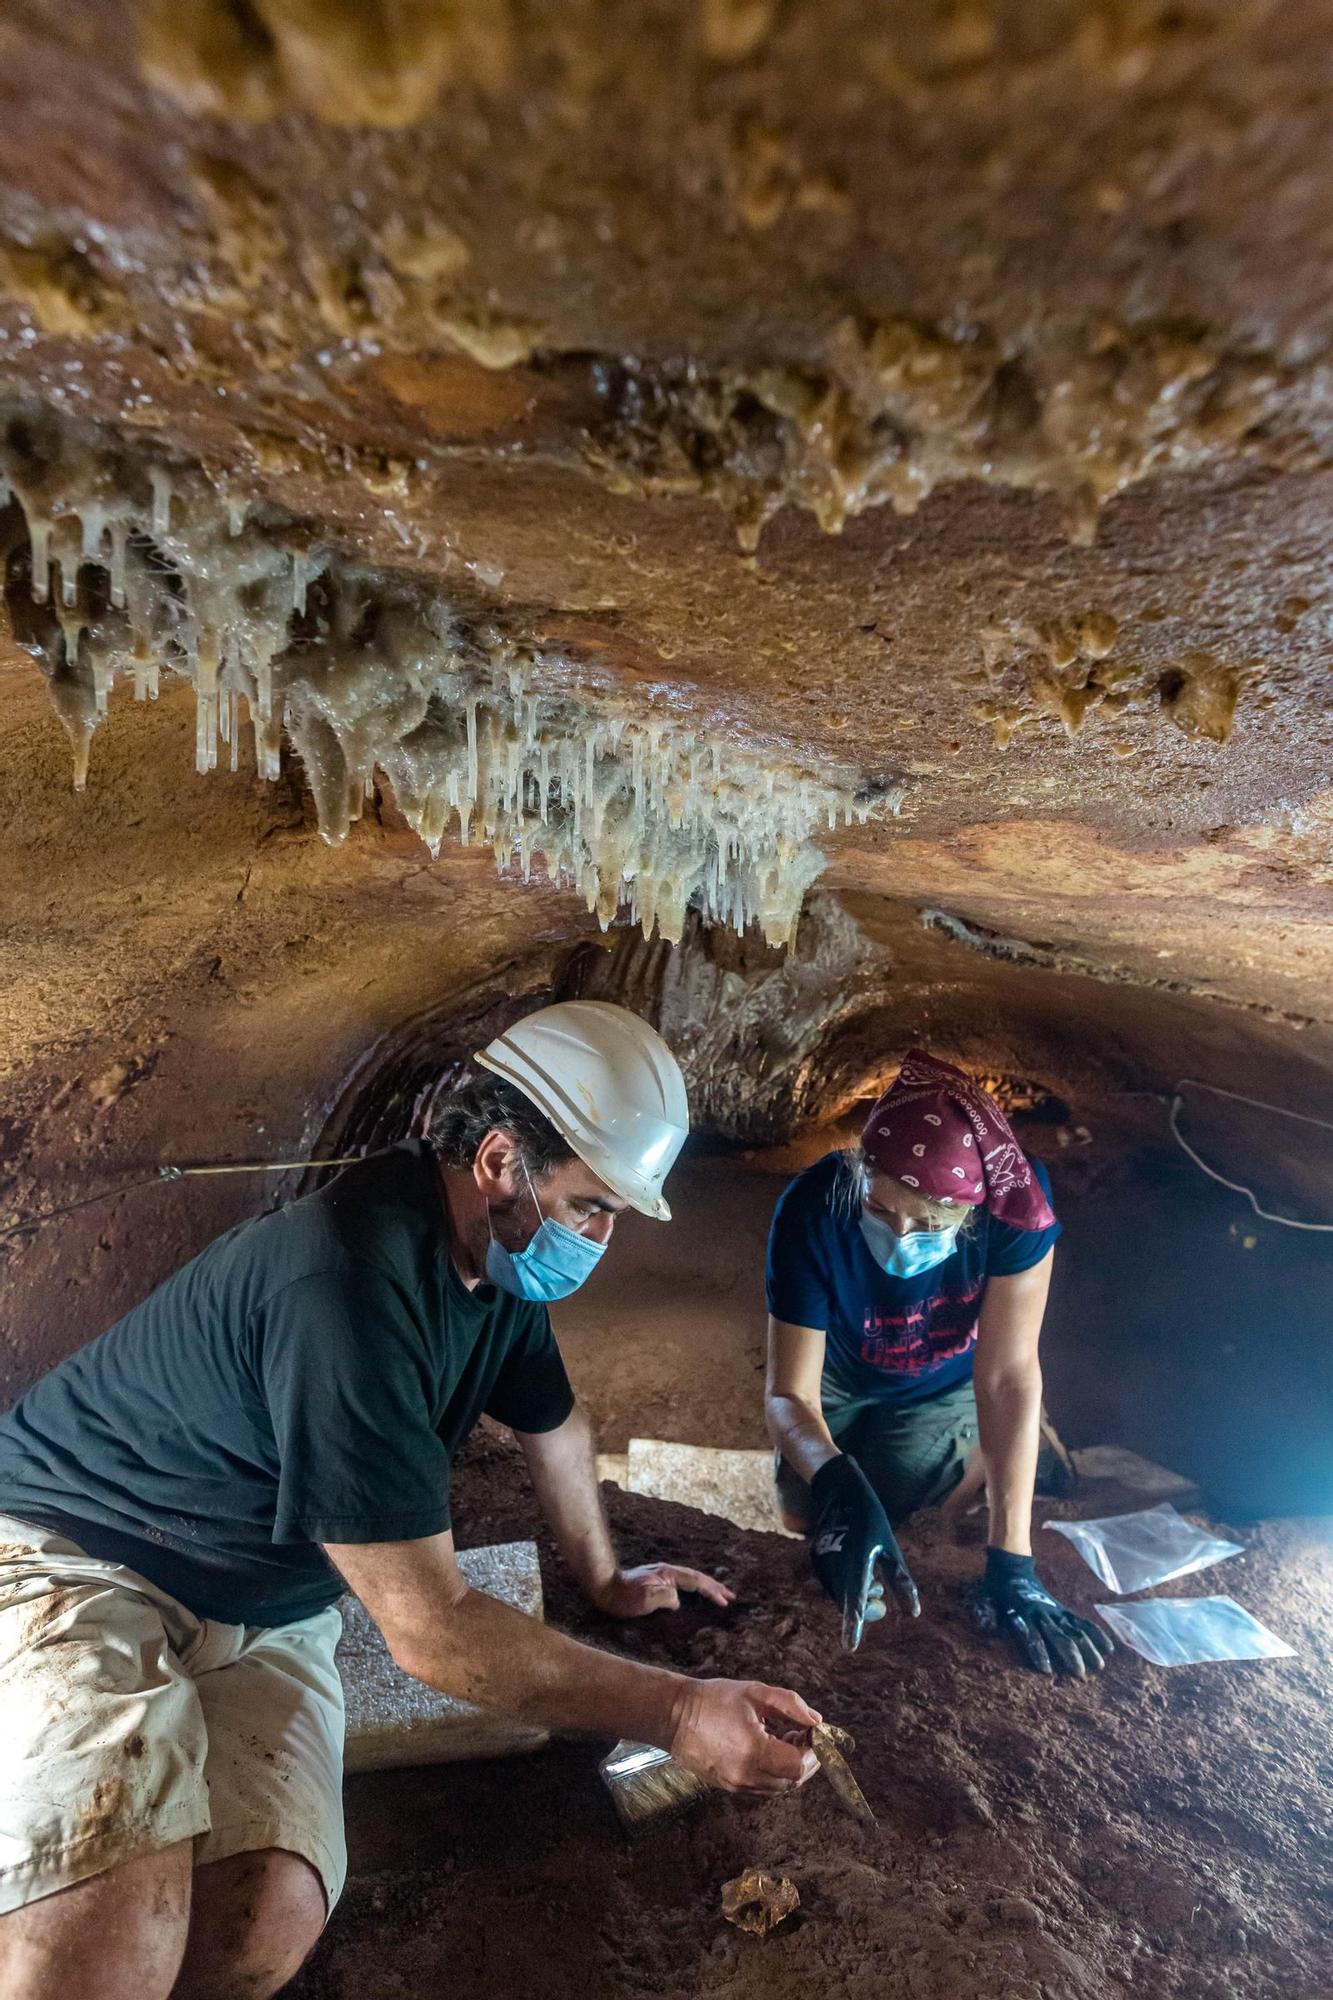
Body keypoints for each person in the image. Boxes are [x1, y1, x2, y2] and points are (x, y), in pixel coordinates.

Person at [0, 1001, 820, 2000]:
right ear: (500, 1161)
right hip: (78, 1553)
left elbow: (552, 1424)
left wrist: (607, 1580)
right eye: (590, 1206)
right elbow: (432, 1631)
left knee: (263, 1921)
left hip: (266, 1599)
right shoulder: (346, 1280)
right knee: (106, 1932)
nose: (602, 1239)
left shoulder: (494, 1272)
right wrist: (682, 1709)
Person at [764, 1048, 1110, 1677]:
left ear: (970, 1214)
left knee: (898, 1511)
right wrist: (835, 1484)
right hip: (844, 1368)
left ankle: (992, 1448)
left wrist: (1013, 1564)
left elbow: (1007, 1373)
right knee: (805, 1508)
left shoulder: (1014, 1207)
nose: (898, 1235)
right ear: (861, 1175)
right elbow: (789, 1395)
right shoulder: (814, 1205)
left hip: (942, 1376)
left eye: (926, 1222)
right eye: (878, 1210)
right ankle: (957, 1450)